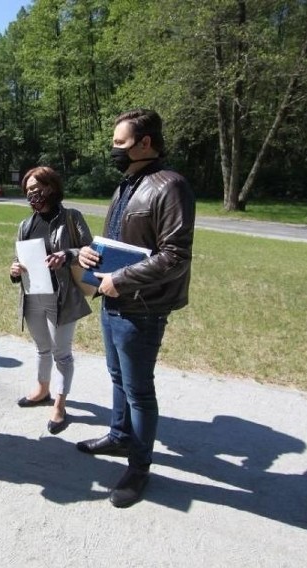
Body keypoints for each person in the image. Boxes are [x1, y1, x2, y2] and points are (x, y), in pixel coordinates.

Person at [76, 108, 195, 508]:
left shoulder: (170, 186)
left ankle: (139, 466)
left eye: (120, 143)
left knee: (139, 390)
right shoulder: (128, 183)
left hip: (141, 306)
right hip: (111, 298)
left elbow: (175, 256)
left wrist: (121, 280)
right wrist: (91, 253)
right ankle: (119, 434)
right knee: (117, 376)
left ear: (146, 143)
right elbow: (118, 239)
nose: (114, 150)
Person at [9, 166, 93, 434]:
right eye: (29, 190)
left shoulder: (71, 217)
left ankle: (59, 404)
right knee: (42, 348)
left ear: (53, 187)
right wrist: (14, 270)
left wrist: (66, 255)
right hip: (33, 295)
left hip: (63, 297)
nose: (34, 194)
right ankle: (42, 389)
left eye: (39, 188)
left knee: (62, 353)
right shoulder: (26, 224)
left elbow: (90, 251)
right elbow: (21, 259)